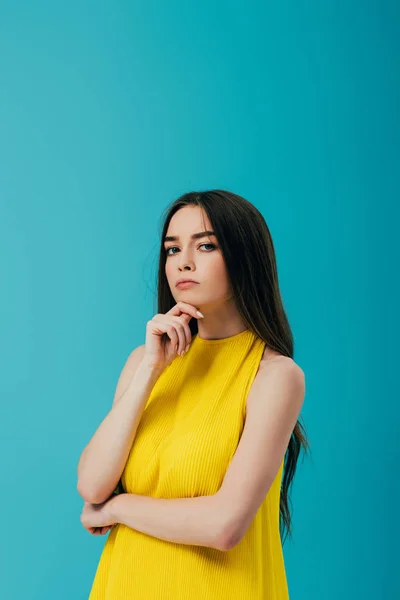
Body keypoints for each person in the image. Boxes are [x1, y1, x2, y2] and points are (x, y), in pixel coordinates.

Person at [77, 189, 309, 599]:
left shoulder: (274, 376)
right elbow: (93, 485)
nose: (183, 261)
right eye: (171, 249)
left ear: (245, 257)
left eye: (205, 245)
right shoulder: (143, 362)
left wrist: (118, 508)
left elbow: (223, 526)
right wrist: (150, 370)